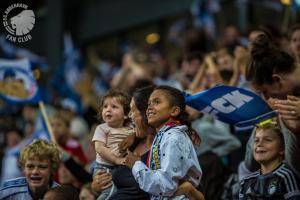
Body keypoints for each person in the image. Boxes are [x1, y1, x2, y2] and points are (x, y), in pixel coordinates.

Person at [130, 85, 202, 199]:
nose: (149, 108)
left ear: (174, 111)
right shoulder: (165, 135)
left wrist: (136, 165)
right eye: (149, 104)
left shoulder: (173, 137)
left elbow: (165, 185)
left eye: (157, 102)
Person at [244, 33, 300, 178]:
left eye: (265, 92)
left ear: (277, 80)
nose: (266, 98)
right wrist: (295, 132)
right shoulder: (290, 104)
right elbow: (295, 168)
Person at [239, 121, 300, 199]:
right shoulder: (246, 181)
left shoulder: (286, 176)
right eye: (256, 140)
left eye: (268, 140)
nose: (259, 144)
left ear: (282, 149)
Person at [92, 89, 133, 199]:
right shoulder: (102, 128)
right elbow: (99, 148)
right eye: (105, 107)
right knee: (109, 193)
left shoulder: (130, 129)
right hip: (104, 167)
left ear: (126, 114)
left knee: (116, 192)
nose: (108, 110)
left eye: (114, 107)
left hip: (118, 168)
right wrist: (116, 159)